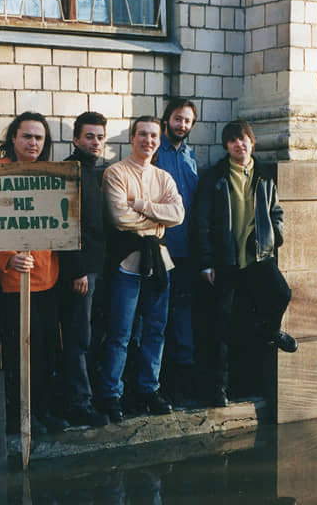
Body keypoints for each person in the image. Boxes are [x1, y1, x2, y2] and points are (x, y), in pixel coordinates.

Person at [194, 118, 297, 406]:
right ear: (226, 146)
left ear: (252, 142)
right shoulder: (215, 178)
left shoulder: (263, 176)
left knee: (281, 293)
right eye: (233, 140)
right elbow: (201, 223)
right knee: (221, 326)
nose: (239, 144)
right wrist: (205, 262)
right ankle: (219, 389)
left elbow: (276, 211)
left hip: (257, 258)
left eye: (244, 139)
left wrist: (273, 236)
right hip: (225, 261)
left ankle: (271, 331)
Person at [0, 111, 70, 435]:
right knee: (20, 354)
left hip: (48, 279)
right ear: (13, 139)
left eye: (39, 137)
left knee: (47, 353)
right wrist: (7, 259)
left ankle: (43, 411)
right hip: (15, 282)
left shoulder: (50, 175)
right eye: (27, 136)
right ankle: (19, 416)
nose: (33, 142)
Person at [99, 116, 185, 422]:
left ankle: (149, 388)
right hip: (128, 262)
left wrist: (141, 204)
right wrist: (156, 220)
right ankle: (112, 393)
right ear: (132, 138)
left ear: (158, 141)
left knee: (155, 330)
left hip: (160, 262)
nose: (148, 140)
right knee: (120, 332)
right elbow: (119, 217)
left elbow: (178, 213)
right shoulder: (116, 173)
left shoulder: (163, 177)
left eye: (153, 136)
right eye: (142, 134)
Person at [58, 111, 110, 428]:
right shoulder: (69, 170)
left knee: (90, 334)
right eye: (89, 136)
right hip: (80, 271)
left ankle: (85, 398)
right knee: (78, 336)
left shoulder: (92, 171)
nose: (95, 142)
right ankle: (79, 403)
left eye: (100, 137)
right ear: (76, 139)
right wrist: (77, 269)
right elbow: (65, 222)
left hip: (97, 267)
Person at [154, 98, 199, 408]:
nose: (182, 125)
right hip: (160, 249)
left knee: (183, 317)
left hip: (188, 251)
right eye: (177, 119)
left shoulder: (190, 156)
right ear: (166, 119)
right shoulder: (155, 153)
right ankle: (157, 386)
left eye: (187, 121)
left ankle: (182, 387)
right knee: (158, 317)